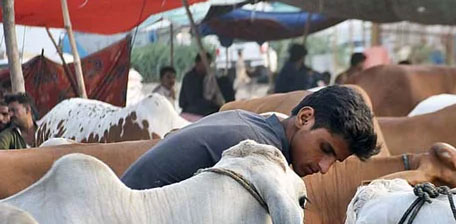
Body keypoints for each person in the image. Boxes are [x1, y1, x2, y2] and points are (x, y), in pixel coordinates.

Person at [121, 85, 379, 189]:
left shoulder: (255, 123)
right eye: (326, 149)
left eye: (334, 161)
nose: (324, 168)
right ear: (304, 118)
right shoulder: (259, 152)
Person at [179, 52, 221, 117]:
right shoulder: (190, 78)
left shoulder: (207, 77)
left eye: (209, 64)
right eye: (206, 64)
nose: (208, 67)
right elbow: (193, 100)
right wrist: (213, 103)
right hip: (191, 111)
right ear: (197, 63)